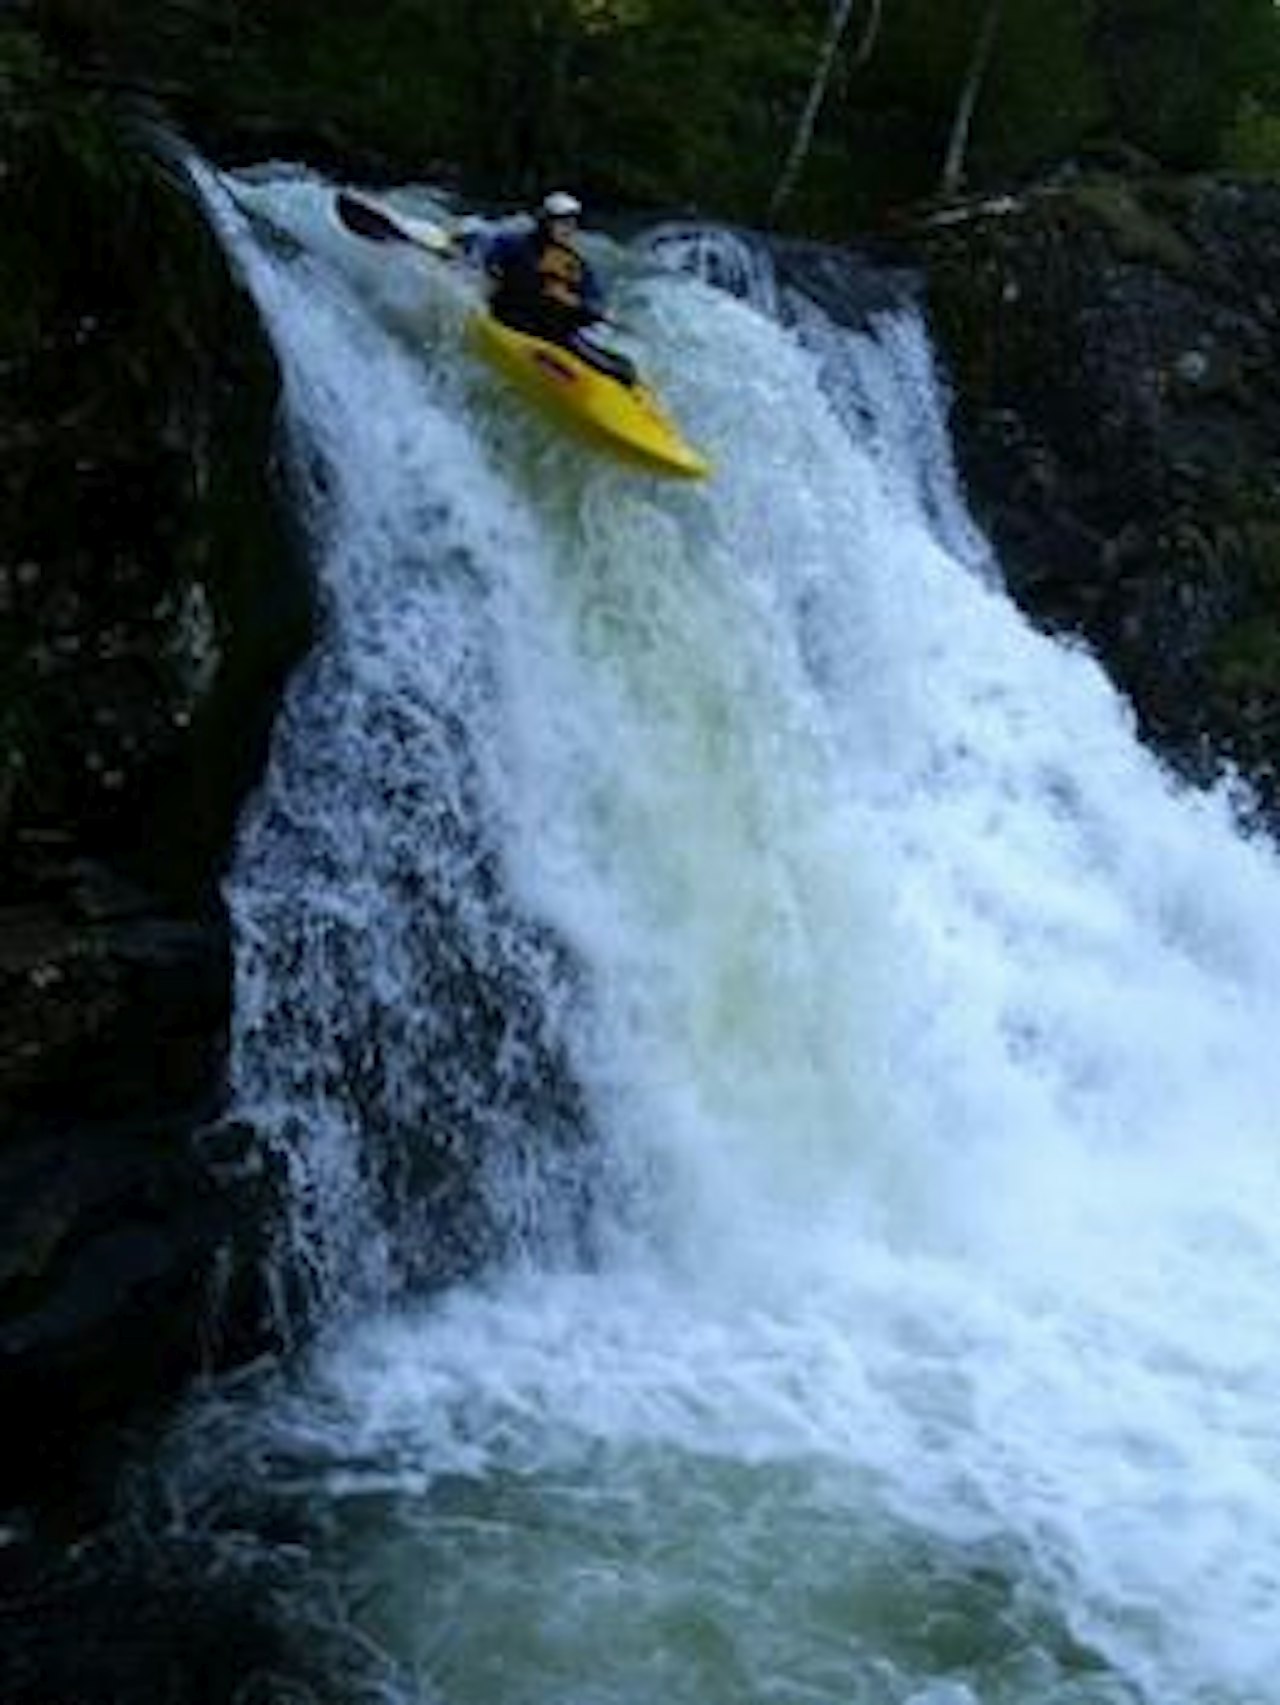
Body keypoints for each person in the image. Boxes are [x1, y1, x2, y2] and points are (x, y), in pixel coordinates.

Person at [481, 191, 634, 384]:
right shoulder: (514, 244)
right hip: (514, 320)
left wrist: (589, 308)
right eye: (562, 223)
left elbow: (593, 298)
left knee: (624, 367)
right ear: (545, 222)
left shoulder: (575, 265)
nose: (569, 229)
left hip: (552, 330)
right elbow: (486, 252)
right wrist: (491, 269)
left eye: (572, 224)